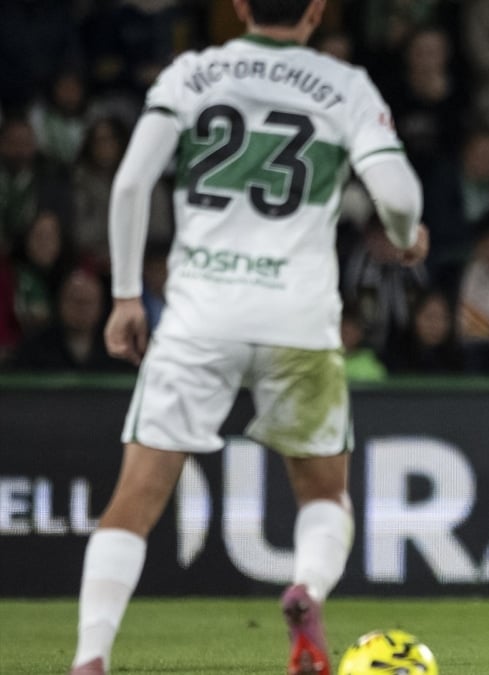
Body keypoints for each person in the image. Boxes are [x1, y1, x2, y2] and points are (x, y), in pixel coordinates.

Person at [66, 2, 428, 674]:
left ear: (238, 6)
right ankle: (306, 588)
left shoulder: (192, 72)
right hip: (298, 321)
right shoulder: (344, 85)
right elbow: (400, 197)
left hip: (199, 315)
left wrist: (123, 294)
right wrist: (407, 241)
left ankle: (91, 654)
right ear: (317, 10)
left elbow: (130, 184)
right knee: (323, 494)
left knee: (134, 500)